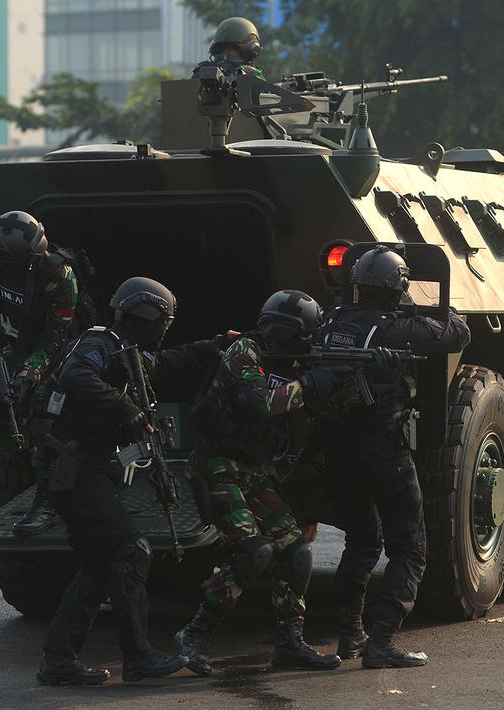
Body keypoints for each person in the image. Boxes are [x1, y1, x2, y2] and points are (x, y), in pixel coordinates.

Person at [32, 276, 231, 686]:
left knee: (98, 565)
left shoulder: (126, 351)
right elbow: (76, 377)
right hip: (77, 470)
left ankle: (58, 660)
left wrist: (215, 345)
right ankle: (138, 657)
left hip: (87, 468)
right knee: (131, 550)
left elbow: (168, 362)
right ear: (150, 315)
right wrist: (129, 410)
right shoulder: (99, 343)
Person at [176, 290, 350, 675]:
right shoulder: (245, 353)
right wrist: (308, 384)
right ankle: (195, 635)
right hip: (217, 466)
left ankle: (289, 642)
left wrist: (336, 380)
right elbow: (258, 403)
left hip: (253, 470)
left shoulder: (293, 361)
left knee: (297, 551)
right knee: (252, 552)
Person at [320, 246, 471, 668]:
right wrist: (435, 308)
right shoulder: (394, 328)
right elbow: (457, 333)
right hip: (384, 449)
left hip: (337, 450)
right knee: (410, 548)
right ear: (396, 286)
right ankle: (381, 640)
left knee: (363, 540)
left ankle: (351, 634)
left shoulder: (331, 323)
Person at [0, 210, 79, 537]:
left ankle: (48, 495)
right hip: (10, 348)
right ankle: (26, 453)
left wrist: (29, 375)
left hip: (55, 356)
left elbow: (57, 339)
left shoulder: (59, 276)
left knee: (45, 422)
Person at [193, 16, 265, 80]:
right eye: (224, 49)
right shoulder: (252, 76)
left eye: (231, 49)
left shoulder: (204, 71)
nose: (227, 53)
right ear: (252, 49)